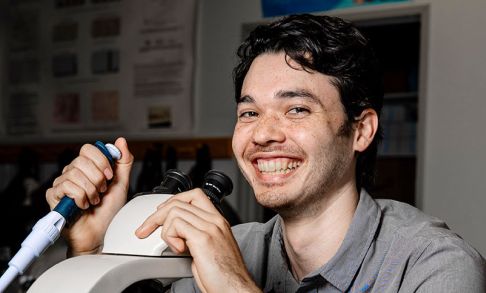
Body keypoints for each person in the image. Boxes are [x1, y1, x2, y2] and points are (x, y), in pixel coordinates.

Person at [46, 14, 485, 292]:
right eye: (250, 112)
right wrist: (91, 254)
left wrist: (234, 286)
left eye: (296, 109)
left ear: (360, 131)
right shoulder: (228, 246)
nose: (263, 135)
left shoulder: (433, 266)